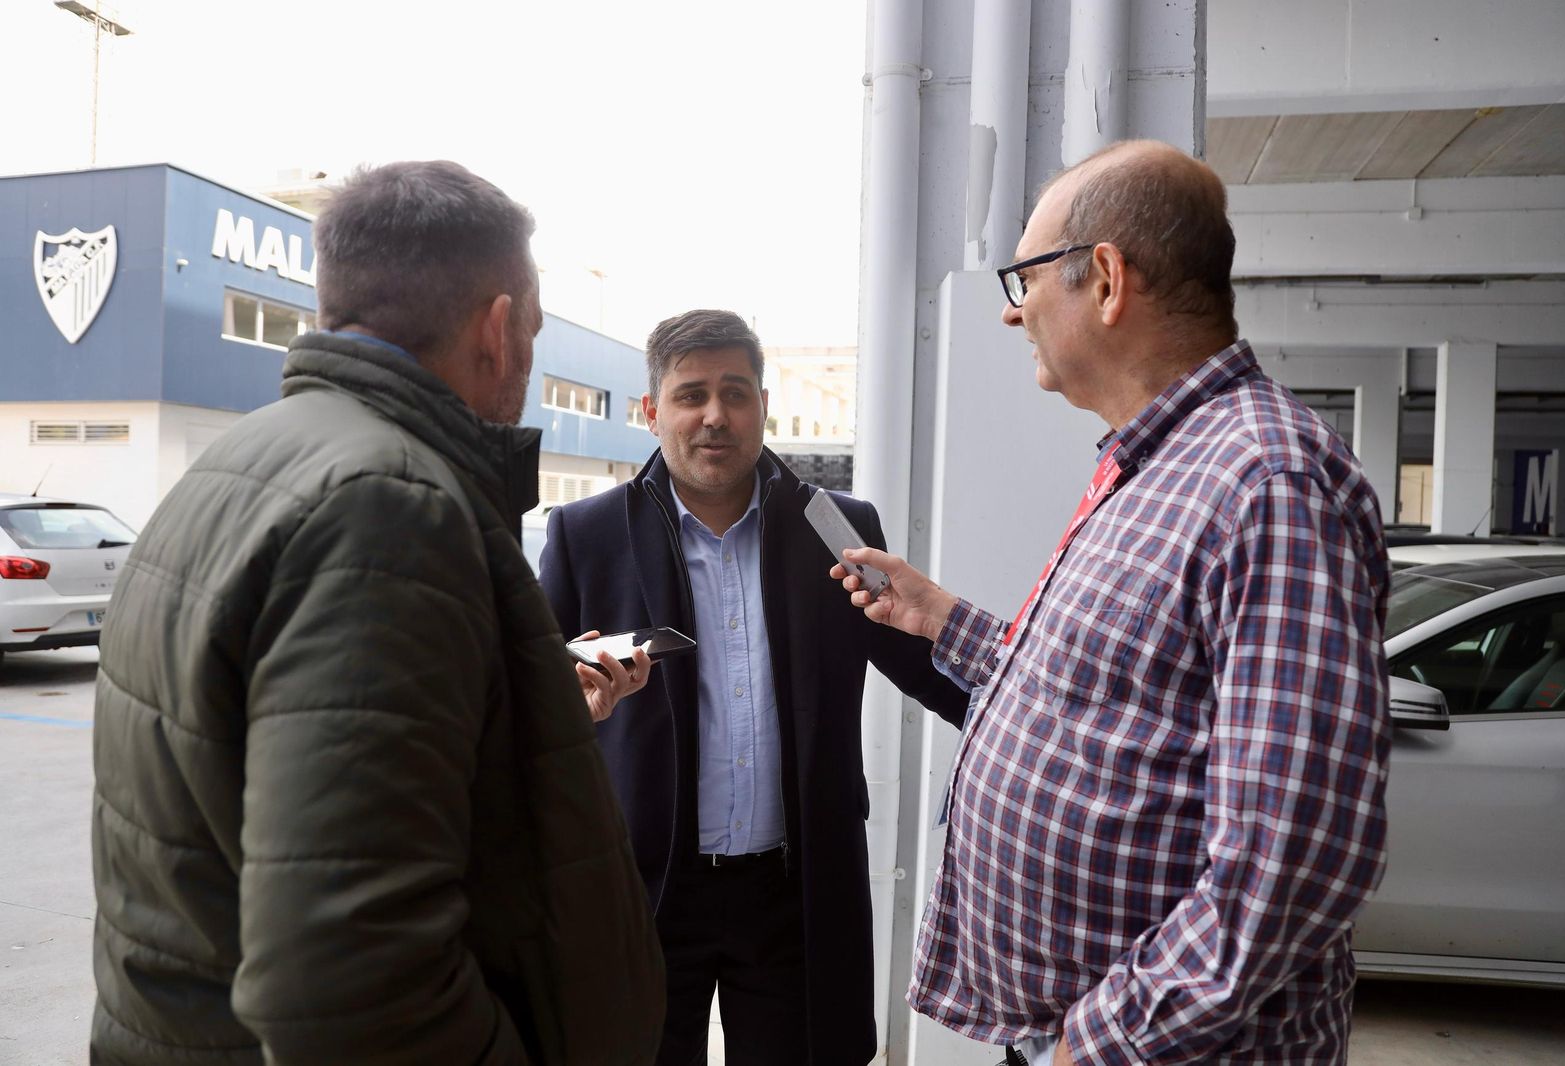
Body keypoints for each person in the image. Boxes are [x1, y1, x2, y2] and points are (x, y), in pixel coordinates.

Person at [90, 161, 664, 1066]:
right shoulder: (386, 506)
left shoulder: (251, 457)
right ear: (501, 328)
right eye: (537, 331)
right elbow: (349, 982)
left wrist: (515, 700)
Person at [834, 140, 1391, 1065]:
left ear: (1104, 278)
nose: (1015, 314)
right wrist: (942, 622)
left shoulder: (1269, 480)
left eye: (1026, 279)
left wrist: (1100, 1040)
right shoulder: (1158, 462)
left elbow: (1292, 865)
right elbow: (1108, 698)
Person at [538, 309, 970, 1065]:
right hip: (645, 889)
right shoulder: (587, 534)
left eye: (736, 393)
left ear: (764, 407)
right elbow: (534, 708)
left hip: (792, 889)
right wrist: (573, 705)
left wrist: (1038, 717)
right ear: (651, 412)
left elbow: (925, 668)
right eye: (690, 395)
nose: (715, 416)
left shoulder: (836, 529)